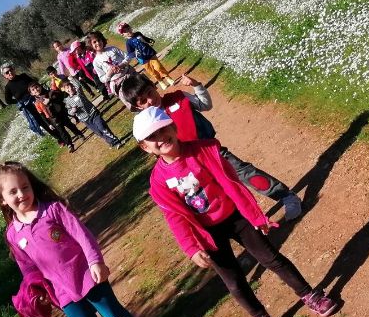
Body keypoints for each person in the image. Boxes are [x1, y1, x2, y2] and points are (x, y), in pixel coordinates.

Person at [133, 108, 336, 317]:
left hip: (235, 217)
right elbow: (174, 217)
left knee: (271, 258)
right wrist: (191, 247)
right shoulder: (158, 182)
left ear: (173, 128)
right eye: (152, 137)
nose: (161, 138)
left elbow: (232, 185)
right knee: (233, 280)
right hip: (208, 234)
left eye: (163, 129)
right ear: (145, 147)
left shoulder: (203, 151)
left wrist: (256, 217)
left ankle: (309, 294)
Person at [0, 161, 159, 317]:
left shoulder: (53, 210)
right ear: (3, 200)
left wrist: (95, 261)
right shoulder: (13, 234)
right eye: (13, 191)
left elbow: (82, 235)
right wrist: (37, 291)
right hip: (61, 291)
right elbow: (28, 268)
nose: (21, 194)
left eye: (25, 187)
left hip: (87, 275)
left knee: (115, 316)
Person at [120, 73, 303, 221]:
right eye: (142, 101)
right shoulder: (147, 126)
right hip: (189, 168)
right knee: (218, 195)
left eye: (150, 93)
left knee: (243, 173)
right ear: (138, 107)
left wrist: (197, 85)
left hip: (212, 153)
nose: (150, 101)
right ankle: (249, 222)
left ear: (154, 86)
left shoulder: (178, 97)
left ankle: (286, 196)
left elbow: (205, 105)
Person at [60, 79, 124, 149]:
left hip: (93, 113)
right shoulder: (67, 101)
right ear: (65, 90)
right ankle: (110, 141)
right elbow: (69, 112)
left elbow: (78, 85)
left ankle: (116, 141)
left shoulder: (79, 92)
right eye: (67, 88)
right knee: (98, 132)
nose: (70, 89)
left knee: (102, 127)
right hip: (85, 119)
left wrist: (71, 79)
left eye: (71, 86)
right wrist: (73, 110)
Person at [1, 62, 56, 138]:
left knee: (49, 116)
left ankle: (62, 134)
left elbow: (35, 84)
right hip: (28, 107)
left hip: (37, 100)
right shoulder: (8, 87)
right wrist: (19, 102)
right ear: (4, 76)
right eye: (7, 72)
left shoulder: (23, 76)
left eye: (10, 70)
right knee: (42, 122)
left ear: (13, 69)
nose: (10, 73)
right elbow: (8, 101)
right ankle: (59, 138)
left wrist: (44, 93)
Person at [117, 22, 174, 90]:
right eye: (125, 31)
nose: (128, 31)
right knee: (152, 72)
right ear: (123, 35)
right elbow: (130, 53)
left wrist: (150, 40)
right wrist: (132, 55)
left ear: (130, 27)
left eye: (128, 28)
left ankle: (168, 78)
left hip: (150, 54)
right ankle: (160, 81)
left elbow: (145, 38)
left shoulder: (138, 33)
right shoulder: (128, 43)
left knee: (158, 67)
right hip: (142, 60)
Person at [27, 82, 82, 152]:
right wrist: (48, 124)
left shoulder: (49, 93)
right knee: (62, 132)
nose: (36, 90)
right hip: (53, 119)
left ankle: (79, 134)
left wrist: (50, 100)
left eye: (36, 87)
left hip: (60, 113)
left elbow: (58, 97)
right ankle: (69, 144)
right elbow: (42, 114)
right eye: (33, 90)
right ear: (32, 93)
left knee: (69, 125)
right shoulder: (37, 103)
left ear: (40, 86)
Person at [87, 31, 136, 104]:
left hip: (130, 74)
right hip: (118, 83)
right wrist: (109, 73)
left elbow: (127, 57)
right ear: (91, 45)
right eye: (94, 42)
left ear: (102, 40)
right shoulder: (96, 62)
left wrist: (121, 65)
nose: (97, 43)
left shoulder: (112, 49)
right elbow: (102, 79)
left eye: (99, 40)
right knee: (132, 101)